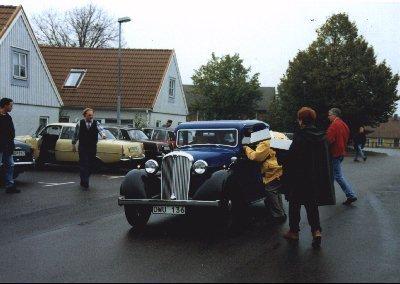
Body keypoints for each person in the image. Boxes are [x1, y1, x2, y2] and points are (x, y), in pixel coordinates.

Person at [283, 107, 335, 248]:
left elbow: (292, 157)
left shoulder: (300, 135)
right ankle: (316, 231)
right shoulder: (321, 136)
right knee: (312, 206)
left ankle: (294, 232)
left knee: (294, 204)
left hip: (299, 177)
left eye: (299, 118)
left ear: (301, 120)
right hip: (314, 178)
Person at [243, 131, 287, 224]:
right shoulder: (279, 135)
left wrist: (246, 148)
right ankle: (281, 212)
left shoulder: (265, 141)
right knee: (276, 191)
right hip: (282, 166)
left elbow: (256, 157)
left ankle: (278, 216)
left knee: (270, 191)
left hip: (272, 169)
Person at [327, 108, 358, 205]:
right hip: (341, 152)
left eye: (329, 115)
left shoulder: (334, 125)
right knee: (332, 175)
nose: (328, 117)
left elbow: (329, 140)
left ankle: (351, 195)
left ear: (334, 115)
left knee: (337, 176)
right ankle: (329, 196)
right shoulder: (344, 125)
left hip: (334, 153)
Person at [72, 108, 106, 189]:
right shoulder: (80, 123)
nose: (91, 117)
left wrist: (103, 135)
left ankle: (84, 178)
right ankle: (85, 180)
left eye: (92, 115)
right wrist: (73, 144)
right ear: (85, 115)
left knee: (91, 164)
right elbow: (75, 134)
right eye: (89, 115)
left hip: (92, 147)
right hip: (83, 147)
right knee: (84, 164)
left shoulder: (95, 123)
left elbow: (101, 130)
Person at [0, 98, 20, 194]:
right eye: (11, 105)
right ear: (5, 105)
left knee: (10, 165)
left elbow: (11, 131)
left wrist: (11, 143)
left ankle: (10, 186)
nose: (12, 107)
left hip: (7, 146)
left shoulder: (8, 117)